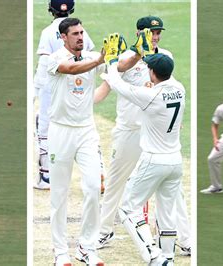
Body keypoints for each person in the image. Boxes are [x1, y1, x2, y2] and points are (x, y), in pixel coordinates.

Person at [94, 16, 191, 257]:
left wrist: (174, 123)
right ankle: (104, 231)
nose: (156, 36)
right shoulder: (127, 56)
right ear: (139, 33)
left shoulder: (165, 57)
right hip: (129, 130)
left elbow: (170, 88)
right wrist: (132, 56)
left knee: (173, 191)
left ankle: (186, 239)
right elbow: (114, 76)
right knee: (116, 182)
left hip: (155, 133)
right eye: (151, 32)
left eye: (158, 32)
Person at [46, 18, 105, 266]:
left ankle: (87, 247)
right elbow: (71, 70)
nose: (80, 37)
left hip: (86, 131)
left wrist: (137, 51)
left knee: (93, 188)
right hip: (60, 132)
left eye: (82, 32)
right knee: (59, 193)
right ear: (63, 37)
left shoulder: (91, 57)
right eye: (75, 33)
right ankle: (60, 251)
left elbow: (120, 67)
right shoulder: (55, 58)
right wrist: (99, 60)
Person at [33, 0, 95, 190]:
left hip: (51, 87)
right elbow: (88, 56)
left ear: (50, 10)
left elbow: (44, 65)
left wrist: (35, 91)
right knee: (85, 128)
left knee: (44, 127)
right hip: (77, 87)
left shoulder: (46, 32)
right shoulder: (80, 30)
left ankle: (46, 176)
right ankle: (97, 172)